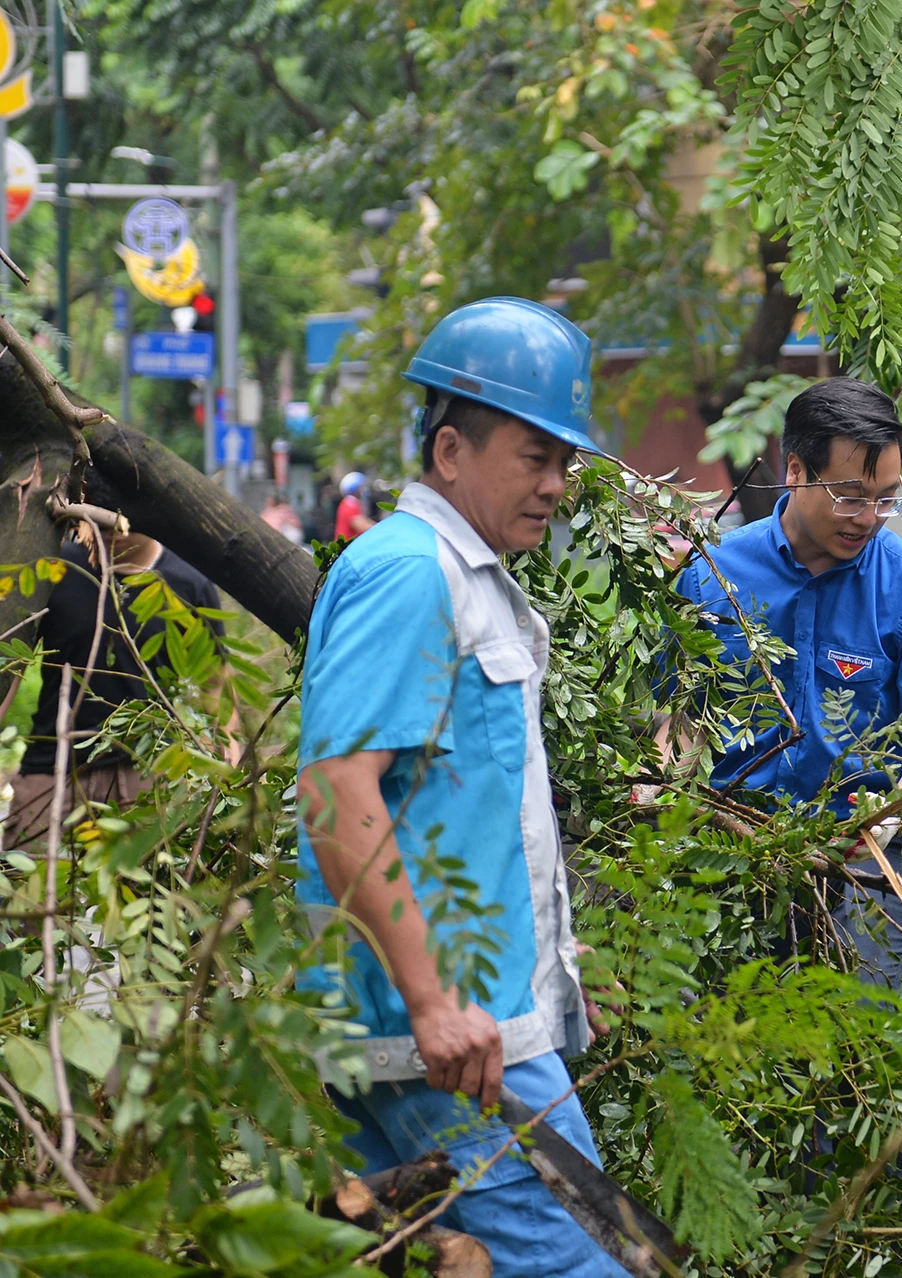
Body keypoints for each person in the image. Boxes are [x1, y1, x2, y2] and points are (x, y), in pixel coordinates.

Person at [295, 296, 623, 1277]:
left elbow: (465, 804)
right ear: (449, 451)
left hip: (448, 1027)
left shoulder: (465, 573)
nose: (558, 484)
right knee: (586, 1263)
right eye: (535, 456)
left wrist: (556, 970)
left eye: (566, 462)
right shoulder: (409, 572)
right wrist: (433, 1001)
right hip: (445, 1042)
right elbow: (335, 791)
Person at [673, 377, 902, 987]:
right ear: (795, 470)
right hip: (733, 834)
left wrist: (884, 817)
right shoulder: (712, 573)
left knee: (844, 1032)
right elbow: (681, 719)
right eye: (850, 496)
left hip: (871, 846)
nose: (869, 518)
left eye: (885, 499)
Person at [1, 470, 226, 849]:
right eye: (92, 525)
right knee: (30, 888)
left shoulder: (188, 585)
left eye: (112, 528)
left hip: (151, 776)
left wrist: (223, 762)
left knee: (153, 897)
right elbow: (10, 671)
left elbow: (215, 688)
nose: (100, 538)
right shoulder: (55, 570)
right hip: (53, 773)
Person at [333, 471, 374, 541]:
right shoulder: (349, 504)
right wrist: (382, 528)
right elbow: (361, 525)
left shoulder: (350, 503)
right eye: (362, 487)